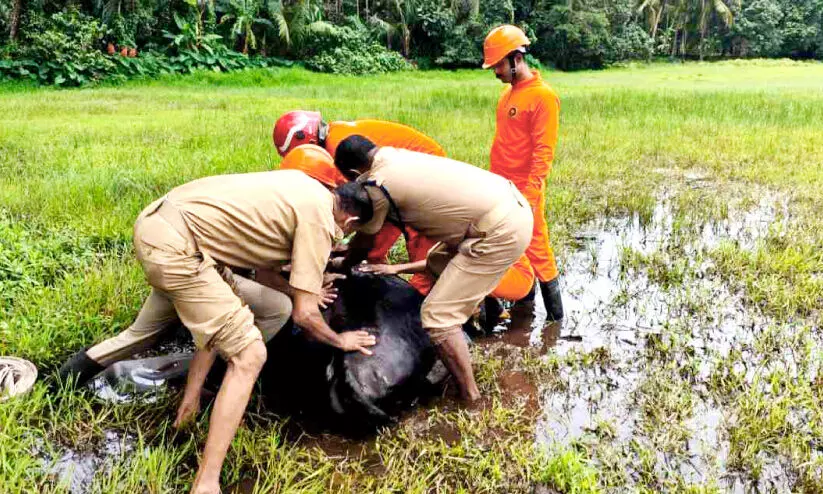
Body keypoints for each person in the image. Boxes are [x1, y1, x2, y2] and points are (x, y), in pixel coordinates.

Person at [58, 170, 376, 494]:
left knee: (151, 333)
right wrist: (340, 339)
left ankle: (55, 385)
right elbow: (305, 314)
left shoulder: (303, 185)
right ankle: (206, 483)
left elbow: (264, 282)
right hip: (182, 251)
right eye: (349, 233)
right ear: (350, 222)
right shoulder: (321, 220)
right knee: (250, 355)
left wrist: (192, 392)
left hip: (163, 229)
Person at [334, 135, 533, 402]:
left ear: (354, 172)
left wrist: (341, 265)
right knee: (437, 261)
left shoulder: (376, 186)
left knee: (437, 318)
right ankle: (461, 335)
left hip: (496, 231)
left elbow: (366, 242)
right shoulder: (394, 154)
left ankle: (470, 396)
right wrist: (392, 269)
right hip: (509, 205)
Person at [273, 111, 445, 295]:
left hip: (426, 183)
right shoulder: (335, 138)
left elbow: (356, 210)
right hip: (405, 178)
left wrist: (329, 249)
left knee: (424, 257)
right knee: (374, 245)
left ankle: (424, 307)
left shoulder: (337, 152)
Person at [482, 24, 564, 321]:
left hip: (525, 193)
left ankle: (556, 320)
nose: (495, 72)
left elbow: (544, 152)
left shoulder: (543, 97)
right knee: (509, 248)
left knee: (537, 248)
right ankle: (523, 304)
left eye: (499, 65)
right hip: (501, 189)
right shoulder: (507, 96)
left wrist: (529, 197)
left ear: (516, 58)